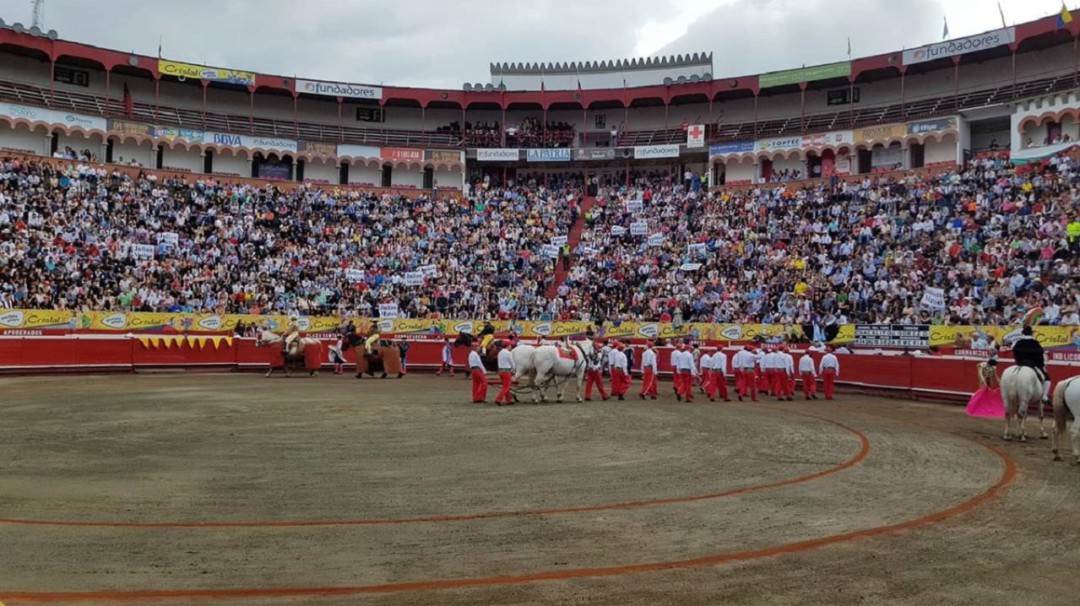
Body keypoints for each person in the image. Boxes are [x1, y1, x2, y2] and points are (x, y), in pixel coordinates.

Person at [1012, 326, 1051, 404]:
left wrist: (1018, 361)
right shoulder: (1035, 343)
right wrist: (1041, 365)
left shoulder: (1019, 342)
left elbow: (1015, 352)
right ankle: (1044, 396)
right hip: (1033, 365)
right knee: (1047, 379)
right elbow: (1040, 355)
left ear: (1023, 333)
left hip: (1021, 364)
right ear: (1031, 333)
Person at [494, 342, 516, 406]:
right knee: (506, 387)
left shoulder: (500, 353)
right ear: (508, 346)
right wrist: (513, 370)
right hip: (506, 371)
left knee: (505, 386)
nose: (510, 347)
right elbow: (512, 362)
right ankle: (498, 399)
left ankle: (508, 400)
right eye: (510, 346)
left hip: (501, 371)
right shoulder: (508, 353)